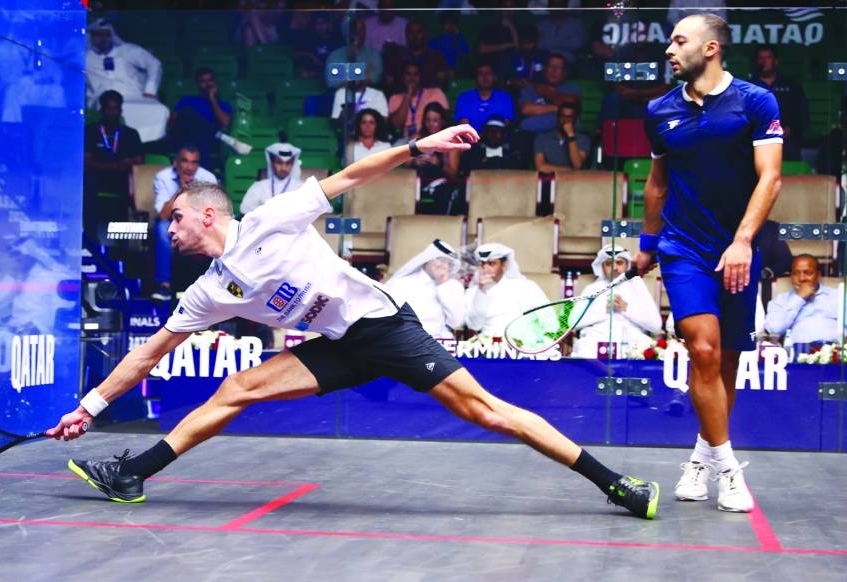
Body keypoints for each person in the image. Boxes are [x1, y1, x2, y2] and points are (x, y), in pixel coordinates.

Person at [46, 123, 659, 520]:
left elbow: (350, 177)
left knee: (486, 412)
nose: (169, 230)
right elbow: (149, 353)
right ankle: (133, 473)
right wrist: (90, 407)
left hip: (385, 327)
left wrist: (419, 147)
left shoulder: (269, 221)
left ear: (208, 214)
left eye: (176, 219)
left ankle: (616, 485)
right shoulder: (209, 291)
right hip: (337, 343)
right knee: (237, 389)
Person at [636, 13, 783, 513]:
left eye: (679, 41)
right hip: (683, 248)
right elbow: (657, 183)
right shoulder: (659, 110)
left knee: (726, 361)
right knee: (701, 350)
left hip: (736, 248)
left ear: (712, 48)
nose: (669, 50)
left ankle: (700, 456)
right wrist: (647, 243)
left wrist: (743, 241)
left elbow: (771, 179)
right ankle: (727, 467)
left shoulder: (755, 102)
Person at [84, 19, 169, 143]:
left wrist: (150, 91)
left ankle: (148, 144)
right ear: (91, 37)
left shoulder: (127, 50)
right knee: (111, 110)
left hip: (134, 96)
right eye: (98, 35)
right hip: (102, 100)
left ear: (111, 35)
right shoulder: (84, 58)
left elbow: (154, 64)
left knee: (160, 110)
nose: (102, 38)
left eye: (106, 34)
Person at [152, 146, 219, 301]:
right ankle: (164, 286)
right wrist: (183, 189)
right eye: (185, 161)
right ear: (176, 162)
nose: (190, 167)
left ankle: (217, 287)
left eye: (194, 162)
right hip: (173, 223)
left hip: (200, 224)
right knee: (161, 227)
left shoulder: (208, 178)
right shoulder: (163, 177)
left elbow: (212, 213)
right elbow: (163, 215)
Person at [571, 245, 661, 359]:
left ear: (627, 265)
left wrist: (626, 308)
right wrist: (604, 310)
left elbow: (656, 325)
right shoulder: (592, 288)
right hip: (596, 339)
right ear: (602, 267)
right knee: (585, 351)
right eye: (609, 264)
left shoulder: (638, 287)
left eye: (619, 263)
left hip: (632, 340)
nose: (615, 267)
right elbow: (573, 323)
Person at [83, 90, 143, 240]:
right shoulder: (90, 131)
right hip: (97, 176)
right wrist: (117, 165)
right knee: (88, 183)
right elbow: (86, 162)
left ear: (120, 110)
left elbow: (140, 161)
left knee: (137, 186)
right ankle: (91, 240)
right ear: (101, 109)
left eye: (115, 108)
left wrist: (125, 165)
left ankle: (129, 242)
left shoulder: (131, 133)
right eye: (108, 108)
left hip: (122, 178)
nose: (112, 112)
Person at [384, 239, 466, 341]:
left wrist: (443, 285)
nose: (444, 266)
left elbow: (456, 323)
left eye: (449, 263)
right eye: (441, 259)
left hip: (440, 344)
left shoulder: (454, 286)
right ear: (429, 258)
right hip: (407, 343)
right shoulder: (401, 283)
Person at [465, 243, 549, 339]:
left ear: (504, 265)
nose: (485, 269)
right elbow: (475, 325)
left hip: (523, 347)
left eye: (491, 264)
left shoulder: (526, 287)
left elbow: (549, 322)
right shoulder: (473, 292)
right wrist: (481, 292)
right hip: (486, 348)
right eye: (482, 264)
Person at [764, 254, 841, 350]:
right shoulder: (779, 301)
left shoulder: (838, 296)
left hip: (835, 351)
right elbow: (774, 330)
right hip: (799, 352)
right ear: (791, 276)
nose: (801, 278)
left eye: (808, 273)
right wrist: (799, 298)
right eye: (795, 273)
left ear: (818, 275)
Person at [169, 68, 235, 172]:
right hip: (185, 137)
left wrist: (212, 99)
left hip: (210, 140)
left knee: (200, 126)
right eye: (203, 81)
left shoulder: (223, 104)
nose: (207, 84)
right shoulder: (186, 100)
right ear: (197, 84)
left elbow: (225, 122)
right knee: (189, 114)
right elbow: (172, 123)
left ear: (215, 82)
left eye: (210, 80)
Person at [751, 44, 809, 161]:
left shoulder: (792, 87)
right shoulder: (749, 87)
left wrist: (791, 129)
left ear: (776, 61)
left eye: (768, 58)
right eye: (761, 58)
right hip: (755, 140)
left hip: (786, 141)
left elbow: (803, 115)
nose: (764, 61)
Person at [406, 102, 463, 214]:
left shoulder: (452, 141)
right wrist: (415, 161)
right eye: (428, 120)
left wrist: (438, 163)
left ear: (442, 121)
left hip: (440, 184)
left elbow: (453, 174)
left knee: (447, 194)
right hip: (416, 182)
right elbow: (406, 165)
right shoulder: (416, 138)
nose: (431, 124)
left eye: (435, 120)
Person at [517, 53, 581, 135]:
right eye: (551, 66)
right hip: (534, 134)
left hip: (564, 134)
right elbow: (526, 109)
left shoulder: (572, 88)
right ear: (545, 69)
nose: (554, 71)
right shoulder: (530, 89)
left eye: (558, 67)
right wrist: (558, 108)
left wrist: (545, 92)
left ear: (565, 72)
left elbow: (572, 104)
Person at [382, 20, 451, 93]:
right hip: (401, 99)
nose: (414, 36)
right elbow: (388, 85)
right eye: (411, 33)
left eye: (418, 32)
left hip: (428, 99)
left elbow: (442, 85)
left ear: (425, 34)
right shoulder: (396, 57)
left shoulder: (436, 58)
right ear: (406, 35)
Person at [387, 62, 449, 141]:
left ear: (421, 76)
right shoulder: (395, 98)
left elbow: (446, 121)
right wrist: (408, 95)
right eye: (408, 74)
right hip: (405, 140)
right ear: (403, 77)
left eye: (415, 74)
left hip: (432, 137)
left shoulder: (436, 93)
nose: (411, 78)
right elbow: (397, 125)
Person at [239, 142, 304, 216]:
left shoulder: (302, 188)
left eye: (288, 163)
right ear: (272, 163)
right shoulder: (258, 187)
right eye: (279, 163)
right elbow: (244, 210)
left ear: (293, 164)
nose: (283, 168)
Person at [454, 62, 516, 133]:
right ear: (476, 78)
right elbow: (464, 124)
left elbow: (506, 123)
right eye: (481, 74)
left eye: (489, 73)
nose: (485, 77)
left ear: (495, 77)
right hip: (472, 139)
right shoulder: (465, 98)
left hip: (498, 138)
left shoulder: (505, 98)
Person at [326, 17, 384, 89]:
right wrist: (365, 73)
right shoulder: (335, 56)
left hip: (369, 97)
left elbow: (375, 79)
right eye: (354, 30)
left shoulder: (373, 54)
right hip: (341, 97)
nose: (358, 34)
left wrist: (345, 75)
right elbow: (333, 83)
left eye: (361, 30)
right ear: (346, 32)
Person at [533, 101, 591, 173]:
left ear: (575, 119)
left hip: (574, 182)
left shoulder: (583, 139)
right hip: (549, 180)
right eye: (563, 116)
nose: (565, 120)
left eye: (569, 117)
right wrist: (569, 171)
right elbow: (540, 167)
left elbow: (577, 165)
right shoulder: (542, 138)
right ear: (557, 118)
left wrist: (570, 135)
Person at [461, 115, 529, 171]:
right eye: (490, 131)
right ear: (485, 133)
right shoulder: (474, 151)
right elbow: (468, 171)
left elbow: (519, 169)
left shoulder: (512, 152)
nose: (493, 134)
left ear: (504, 134)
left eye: (497, 131)